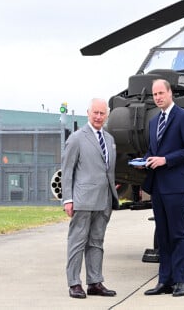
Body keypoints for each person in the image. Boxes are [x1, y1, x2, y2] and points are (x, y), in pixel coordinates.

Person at [142, 79, 184, 297]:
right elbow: (152, 150)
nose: (157, 97)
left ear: (170, 93)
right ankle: (164, 281)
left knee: (178, 234)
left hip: (175, 186)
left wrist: (166, 159)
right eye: (154, 95)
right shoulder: (154, 122)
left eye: (160, 93)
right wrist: (144, 160)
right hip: (157, 186)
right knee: (163, 236)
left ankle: (180, 281)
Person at [61, 98, 119, 299]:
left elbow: (107, 170)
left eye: (102, 113)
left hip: (104, 200)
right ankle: (74, 283)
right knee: (77, 241)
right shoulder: (77, 138)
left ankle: (95, 282)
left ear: (107, 115)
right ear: (88, 113)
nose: (98, 117)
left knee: (96, 242)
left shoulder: (110, 140)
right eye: (95, 112)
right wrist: (67, 199)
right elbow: (67, 171)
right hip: (82, 200)